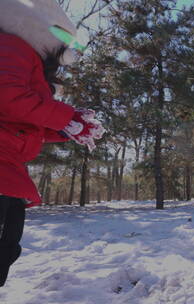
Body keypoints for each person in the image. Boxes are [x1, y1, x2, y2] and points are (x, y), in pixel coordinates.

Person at [0, 0, 104, 286]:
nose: (66, 54)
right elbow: (8, 96)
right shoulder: (11, 45)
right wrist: (64, 117)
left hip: (9, 171)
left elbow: (22, 123)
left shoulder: (24, 56)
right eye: (64, 42)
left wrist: (66, 129)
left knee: (6, 252)